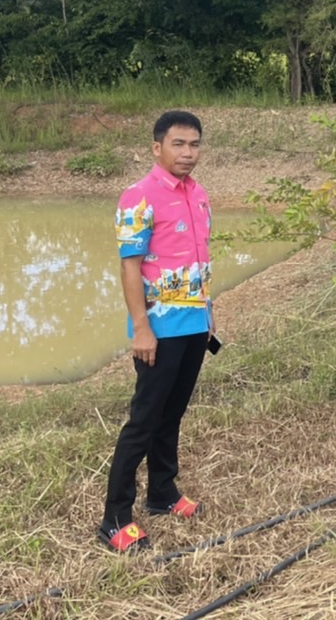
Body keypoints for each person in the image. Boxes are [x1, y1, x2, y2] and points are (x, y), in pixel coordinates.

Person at [99, 110, 216, 552]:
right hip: (159, 330)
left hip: (194, 325)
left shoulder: (199, 194)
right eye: (178, 145)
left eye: (195, 145)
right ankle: (115, 517)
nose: (188, 153)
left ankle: (163, 494)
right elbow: (130, 267)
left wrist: (209, 314)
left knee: (173, 413)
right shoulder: (138, 197)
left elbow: (201, 260)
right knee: (143, 421)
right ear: (157, 148)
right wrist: (141, 328)